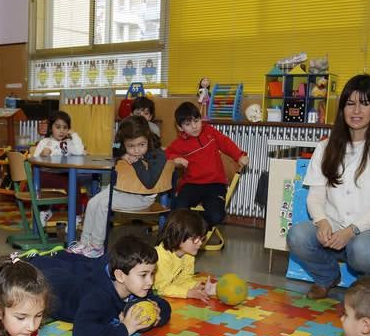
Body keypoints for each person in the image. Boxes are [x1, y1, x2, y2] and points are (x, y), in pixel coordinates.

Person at [286, 73, 370, 300]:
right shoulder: (325, 147)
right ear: (342, 108)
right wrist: (322, 222)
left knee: (362, 250)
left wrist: (351, 231)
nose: (356, 111)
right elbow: (315, 196)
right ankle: (327, 278)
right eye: (350, 104)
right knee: (297, 235)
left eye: (364, 104)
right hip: (335, 229)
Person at [0, 235, 171, 336]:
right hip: (48, 281)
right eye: (144, 275)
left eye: (151, 274)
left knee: (9, 267)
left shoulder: (136, 285)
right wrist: (126, 328)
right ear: (120, 275)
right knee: (1, 284)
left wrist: (157, 311)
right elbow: (82, 334)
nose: (150, 282)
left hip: (67, 274)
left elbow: (163, 305)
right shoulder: (98, 297)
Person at [67, 115, 167, 258]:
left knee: (103, 205)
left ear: (148, 138)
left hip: (142, 198)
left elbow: (149, 183)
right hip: (120, 191)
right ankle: (84, 242)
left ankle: (96, 246)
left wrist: (136, 163)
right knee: (93, 202)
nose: (136, 150)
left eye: (141, 145)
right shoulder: (125, 151)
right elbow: (116, 156)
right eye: (131, 146)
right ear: (125, 144)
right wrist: (123, 156)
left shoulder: (158, 155)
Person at [165, 101, 248, 229]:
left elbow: (226, 143)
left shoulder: (210, 131)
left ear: (201, 119)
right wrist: (175, 159)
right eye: (188, 124)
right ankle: (182, 235)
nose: (194, 126)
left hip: (215, 184)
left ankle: (194, 231)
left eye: (196, 121)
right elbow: (167, 155)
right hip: (191, 184)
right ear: (180, 127)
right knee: (178, 209)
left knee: (217, 216)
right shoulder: (178, 143)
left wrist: (239, 155)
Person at [31, 110, 84, 229]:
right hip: (43, 175)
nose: (61, 131)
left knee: (75, 183)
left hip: (61, 175)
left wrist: (74, 135)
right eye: (58, 127)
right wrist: (42, 154)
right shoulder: (45, 142)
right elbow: (33, 160)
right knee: (71, 182)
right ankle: (46, 210)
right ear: (51, 128)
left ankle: (75, 217)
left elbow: (79, 152)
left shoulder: (68, 143)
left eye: (65, 127)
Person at [153, 209, 216, 301]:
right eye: (195, 239)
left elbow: (184, 280)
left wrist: (199, 287)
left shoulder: (188, 254)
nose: (200, 243)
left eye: (202, 239)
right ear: (178, 235)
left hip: (168, 288)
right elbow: (163, 289)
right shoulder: (162, 256)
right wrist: (188, 293)